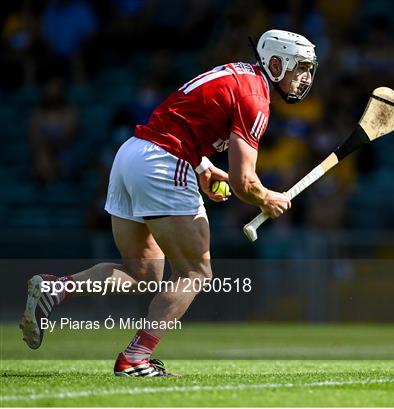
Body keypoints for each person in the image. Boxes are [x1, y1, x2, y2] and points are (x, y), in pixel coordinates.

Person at [20, 29, 318, 377]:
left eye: (309, 70)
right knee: (196, 272)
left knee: (141, 274)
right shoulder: (257, 98)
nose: (305, 78)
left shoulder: (237, 74)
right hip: (164, 163)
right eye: (300, 68)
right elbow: (244, 183)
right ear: (277, 63)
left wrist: (204, 166)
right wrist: (267, 198)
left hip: (132, 155)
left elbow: (180, 120)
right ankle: (136, 358)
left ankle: (56, 288)